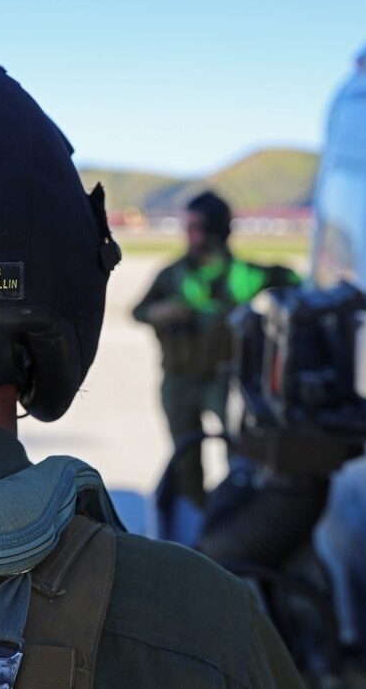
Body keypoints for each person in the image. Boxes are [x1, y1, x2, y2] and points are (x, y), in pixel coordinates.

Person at [0, 36, 304, 688]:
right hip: (185, 385)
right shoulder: (203, 623)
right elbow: (148, 311)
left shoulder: (237, 276)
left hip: (212, 386)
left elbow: (281, 282)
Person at [133, 191, 301, 506]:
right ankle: (195, 517)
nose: (188, 234)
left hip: (225, 379)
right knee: (185, 456)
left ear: (216, 229)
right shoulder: (173, 275)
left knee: (241, 454)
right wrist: (163, 311)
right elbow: (138, 311)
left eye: (195, 227)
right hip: (179, 379)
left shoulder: (245, 276)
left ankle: (232, 516)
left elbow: (294, 280)